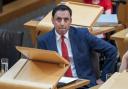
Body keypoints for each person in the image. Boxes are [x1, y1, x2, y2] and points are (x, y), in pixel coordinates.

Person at [37, 4, 117, 88]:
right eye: (58, 19)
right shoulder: (43, 41)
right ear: (52, 21)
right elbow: (43, 68)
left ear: (70, 21)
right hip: (58, 85)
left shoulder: (82, 34)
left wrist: (103, 78)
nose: (62, 23)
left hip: (84, 84)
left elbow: (111, 50)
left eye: (66, 19)